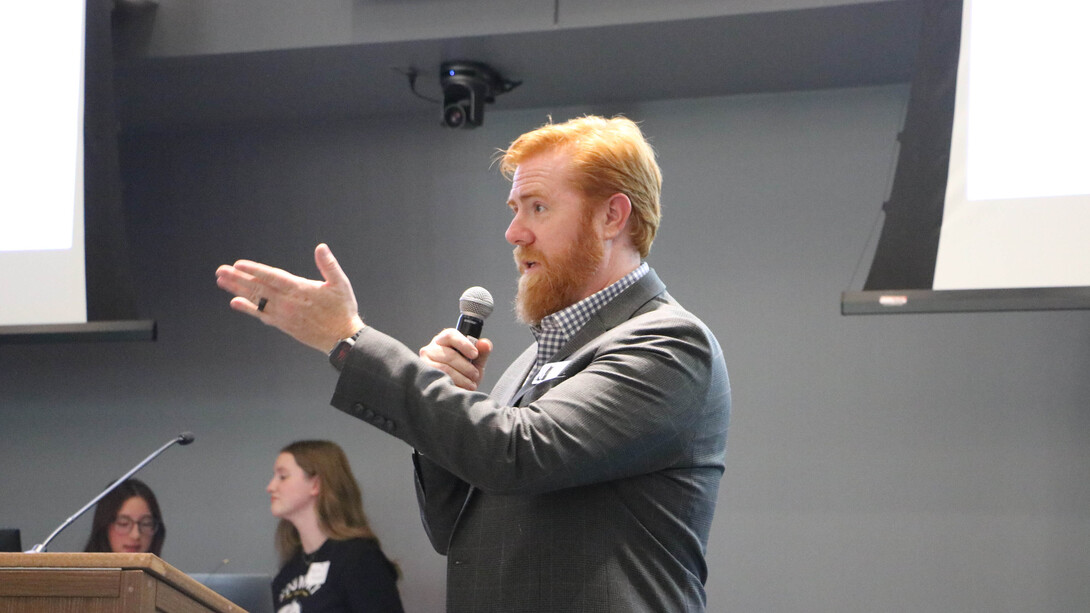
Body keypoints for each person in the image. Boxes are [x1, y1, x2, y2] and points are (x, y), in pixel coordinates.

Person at [216, 115, 731, 612]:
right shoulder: (531, 360)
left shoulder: (667, 343)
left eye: (537, 208)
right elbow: (451, 527)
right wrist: (446, 395)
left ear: (612, 217)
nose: (514, 232)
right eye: (514, 209)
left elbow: (518, 453)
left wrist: (349, 339)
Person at [268, 440, 404, 613]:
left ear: (316, 484)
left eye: (283, 477)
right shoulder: (288, 572)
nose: (271, 487)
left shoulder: (359, 558)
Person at [83, 478, 165, 555]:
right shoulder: (79, 570)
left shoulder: (165, 570)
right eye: (123, 523)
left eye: (146, 524)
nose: (135, 535)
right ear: (104, 525)